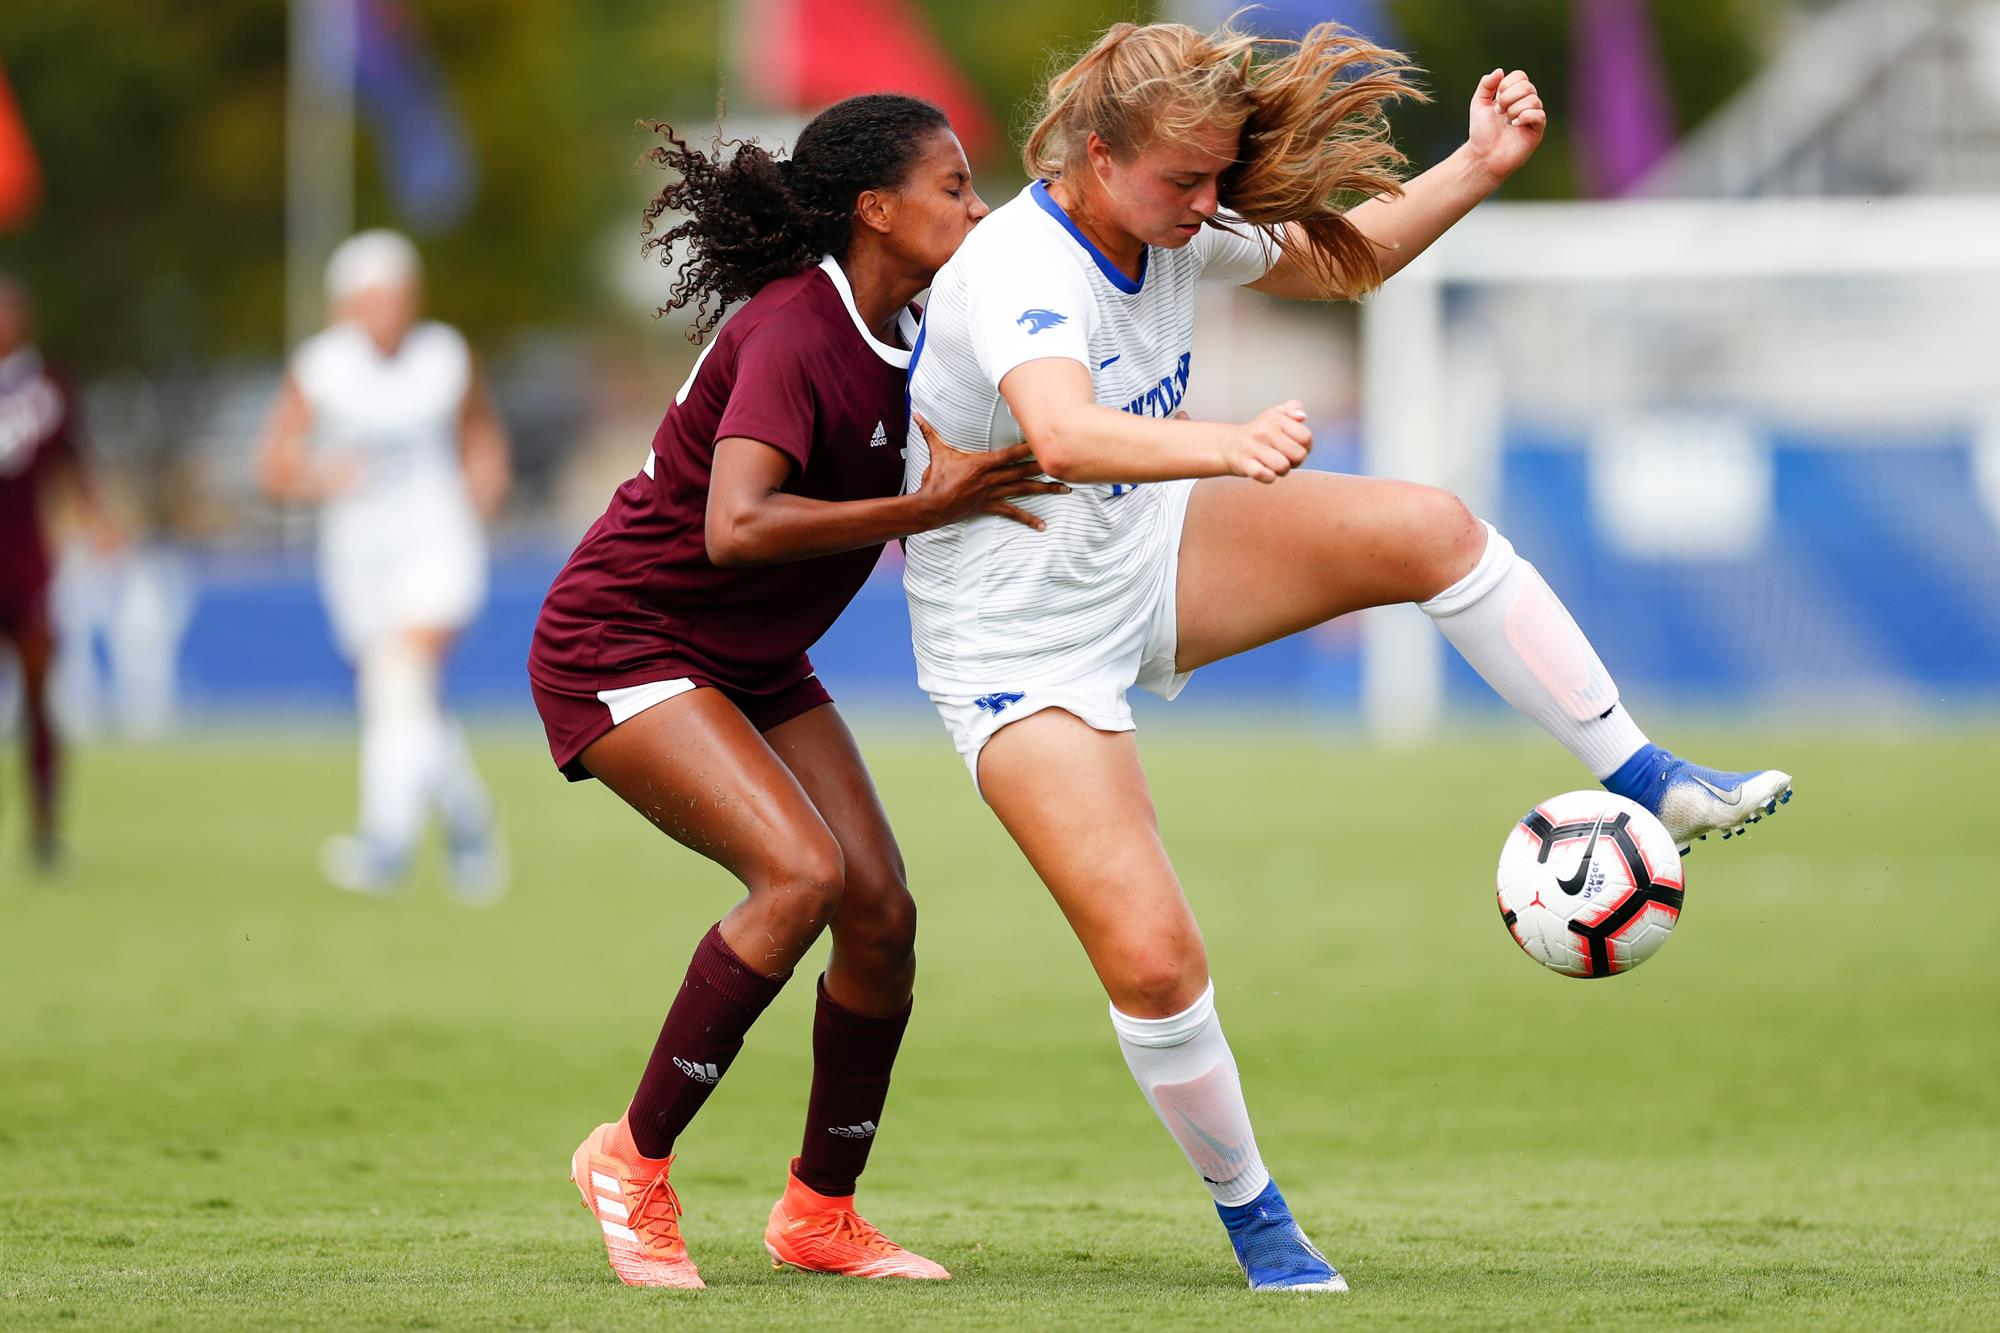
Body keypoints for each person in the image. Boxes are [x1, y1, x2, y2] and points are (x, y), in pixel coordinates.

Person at [903, 20, 1794, 1293]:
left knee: (1427, 529)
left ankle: (1643, 773)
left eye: (1217, 178)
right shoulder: (1017, 270)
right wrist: (1225, 443)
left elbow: (1342, 261)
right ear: (1095, 157)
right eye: (1183, 182)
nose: (1208, 205)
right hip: (1016, 642)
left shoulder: (1160, 215)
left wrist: (1477, 166)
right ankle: (1256, 1217)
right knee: (1153, 961)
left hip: (1143, 557)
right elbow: (1066, 428)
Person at [527, 94, 1055, 1290]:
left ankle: (820, 1210)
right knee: (802, 877)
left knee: (879, 913)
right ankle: (628, 1159)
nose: (977, 209)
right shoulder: (792, 330)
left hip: (749, 658)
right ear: (875, 209)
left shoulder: (923, 323)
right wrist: (924, 508)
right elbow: (736, 525)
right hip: (626, 638)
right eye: (954, 187)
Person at [256, 230, 511, 900]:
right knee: (404, 695)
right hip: (358, 557)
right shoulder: (321, 368)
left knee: (400, 676)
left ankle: (385, 841)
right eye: (369, 296)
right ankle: (469, 820)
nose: (383, 308)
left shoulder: (444, 355)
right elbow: (274, 466)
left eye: (393, 294)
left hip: (438, 541)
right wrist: (320, 475)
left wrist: (486, 478)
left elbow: (480, 428)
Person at [0, 275, 120, 871]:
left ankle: (45, 827)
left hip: (26, 566)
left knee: (39, 699)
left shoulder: (49, 387)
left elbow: (76, 459)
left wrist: (100, 520)